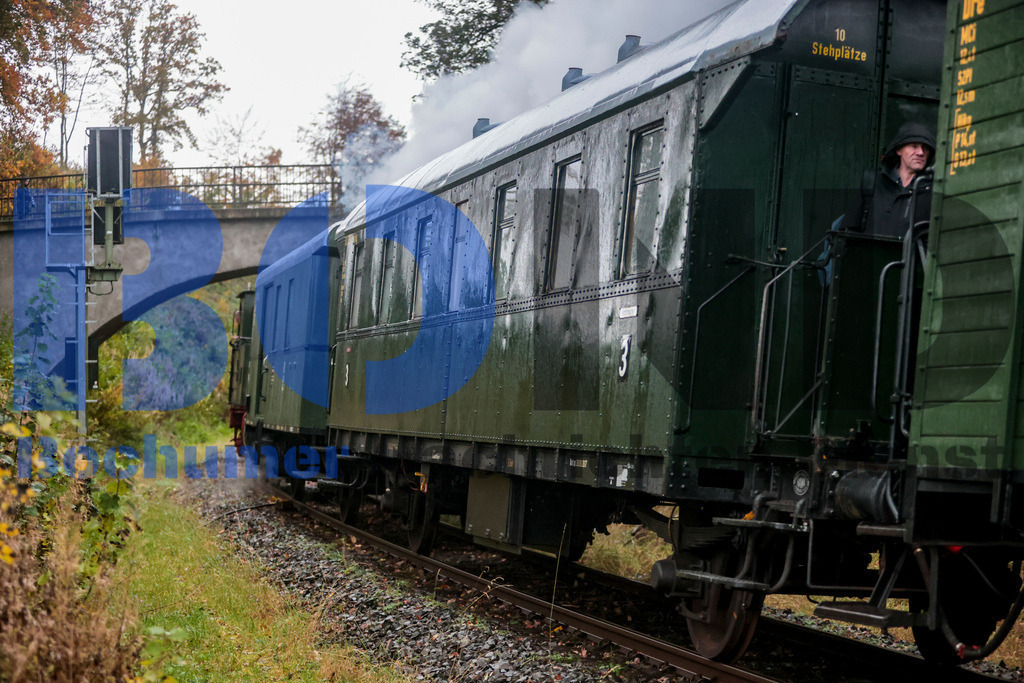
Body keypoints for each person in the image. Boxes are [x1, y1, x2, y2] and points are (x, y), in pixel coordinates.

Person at [840, 122, 936, 237]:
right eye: (914, 146)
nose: (920, 152)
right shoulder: (872, 182)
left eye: (925, 148)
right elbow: (848, 232)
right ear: (899, 150)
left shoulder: (933, 191)